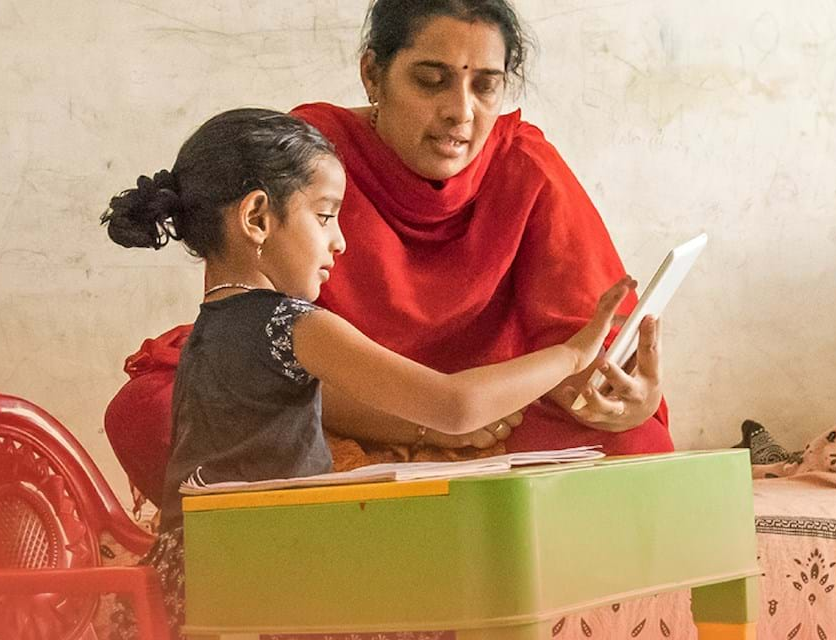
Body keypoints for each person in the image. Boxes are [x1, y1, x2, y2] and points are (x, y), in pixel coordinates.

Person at [99, 107, 632, 630]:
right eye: (326, 215)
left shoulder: (207, 331)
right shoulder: (294, 325)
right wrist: (572, 356)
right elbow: (453, 405)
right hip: (268, 589)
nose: (341, 240)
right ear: (257, 217)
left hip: (191, 584)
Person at [105, 0, 669, 493]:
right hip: (343, 412)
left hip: (497, 418)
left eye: (485, 84)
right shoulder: (312, 162)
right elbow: (260, 368)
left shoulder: (526, 167)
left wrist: (624, 398)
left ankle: (388, 524)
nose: (461, 111)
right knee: (147, 408)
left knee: (637, 445)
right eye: (431, 79)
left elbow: (589, 344)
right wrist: (414, 425)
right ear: (373, 74)